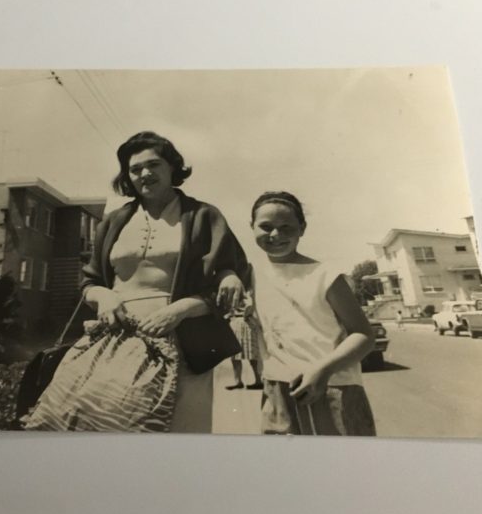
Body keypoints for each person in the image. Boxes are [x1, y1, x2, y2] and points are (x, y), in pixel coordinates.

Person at [23, 131, 249, 433]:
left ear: (172, 167)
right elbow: (89, 282)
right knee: (95, 420)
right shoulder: (115, 220)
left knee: (177, 429)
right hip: (115, 337)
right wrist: (105, 297)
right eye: (135, 169)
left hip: (184, 337)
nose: (145, 173)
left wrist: (181, 309)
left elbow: (229, 276)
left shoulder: (203, 216)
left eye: (154, 165)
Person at [249, 191, 376, 436]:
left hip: (333, 385)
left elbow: (363, 335)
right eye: (266, 227)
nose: (275, 235)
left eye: (287, 227)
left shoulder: (325, 275)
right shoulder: (252, 275)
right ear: (252, 227)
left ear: (302, 228)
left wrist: (323, 370)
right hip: (278, 389)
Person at [225, 296, 263, 390]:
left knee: (251, 354)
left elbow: (251, 305)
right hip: (235, 323)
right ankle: (238, 381)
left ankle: (258, 380)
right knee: (235, 355)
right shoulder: (232, 294)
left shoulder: (249, 294)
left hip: (247, 323)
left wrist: (247, 313)